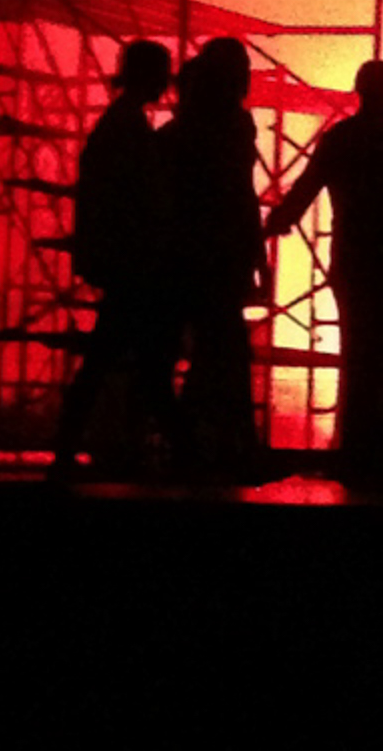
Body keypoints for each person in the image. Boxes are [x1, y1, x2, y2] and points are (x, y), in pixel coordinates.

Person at [264, 59, 383, 491]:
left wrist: (275, 222)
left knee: (358, 358)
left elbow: (306, 188)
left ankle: (355, 451)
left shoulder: (343, 139)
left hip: (353, 261)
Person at [52, 39, 182, 481]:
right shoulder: (128, 128)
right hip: (133, 264)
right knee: (138, 365)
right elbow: (139, 198)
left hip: (125, 262)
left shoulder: (119, 123)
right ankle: (181, 452)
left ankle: (67, 448)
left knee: (118, 361)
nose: (167, 83)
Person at [159, 37, 266, 481]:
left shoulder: (178, 133)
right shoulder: (234, 127)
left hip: (184, 252)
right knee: (224, 350)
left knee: (190, 350)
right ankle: (228, 443)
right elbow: (241, 194)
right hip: (220, 254)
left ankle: (192, 440)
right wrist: (256, 252)